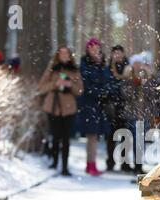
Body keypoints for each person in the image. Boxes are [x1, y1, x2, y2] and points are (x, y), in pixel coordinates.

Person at [38, 46, 84, 176]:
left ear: (70, 56)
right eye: (61, 53)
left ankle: (64, 166)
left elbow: (80, 90)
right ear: (58, 55)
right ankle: (54, 162)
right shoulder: (51, 70)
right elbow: (41, 87)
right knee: (55, 137)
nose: (64, 56)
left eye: (66, 54)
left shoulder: (74, 71)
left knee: (66, 139)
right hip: (52, 107)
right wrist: (55, 84)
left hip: (69, 109)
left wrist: (70, 85)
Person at [77, 38, 111, 176]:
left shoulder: (102, 65)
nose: (95, 51)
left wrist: (100, 65)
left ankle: (91, 164)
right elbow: (86, 84)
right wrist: (100, 92)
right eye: (92, 48)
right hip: (89, 104)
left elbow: (107, 81)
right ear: (88, 50)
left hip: (99, 106)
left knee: (95, 137)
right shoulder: (84, 65)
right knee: (91, 136)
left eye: (97, 48)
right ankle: (90, 164)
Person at [119, 53, 154, 174]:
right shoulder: (127, 78)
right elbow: (125, 93)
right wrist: (134, 84)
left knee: (141, 140)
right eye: (136, 63)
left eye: (140, 63)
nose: (138, 66)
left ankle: (139, 164)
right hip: (131, 114)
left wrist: (145, 83)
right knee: (131, 139)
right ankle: (129, 163)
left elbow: (152, 93)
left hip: (143, 114)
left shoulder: (147, 78)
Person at [106, 45, 130, 172]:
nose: (117, 55)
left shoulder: (128, 68)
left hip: (125, 106)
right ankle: (110, 161)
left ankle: (124, 162)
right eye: (115, 53)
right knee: (111, 136)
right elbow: (107, 84)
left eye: (119, 53)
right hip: (111, 107)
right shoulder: (108, 68)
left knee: (125, 135)